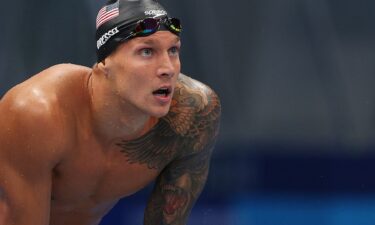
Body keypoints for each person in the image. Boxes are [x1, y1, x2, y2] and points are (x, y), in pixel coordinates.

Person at [0, 0, 221, 225]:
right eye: (147, 51)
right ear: (105, 62)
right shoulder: (39, 113)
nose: (168, 68)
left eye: (173, 50)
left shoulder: (194, 112)